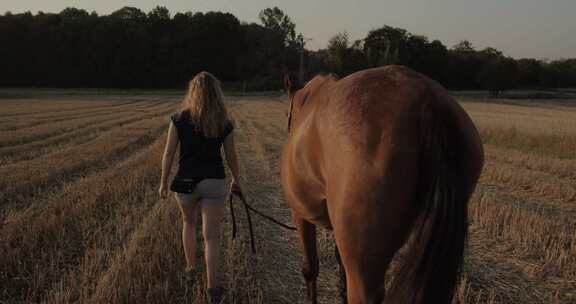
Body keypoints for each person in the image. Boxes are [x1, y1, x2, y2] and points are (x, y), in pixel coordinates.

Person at [158, 71, 241, 303]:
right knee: (212, 238)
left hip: (185, 184)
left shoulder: (179, 118)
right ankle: (213, 288)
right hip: (214, 183)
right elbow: (232, 156)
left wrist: (163, 182)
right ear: (216, 93)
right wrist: (237, 179)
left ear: (192, 92)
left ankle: (190, 268)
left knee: (188, 223)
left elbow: (168, 154)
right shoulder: (224, 122)